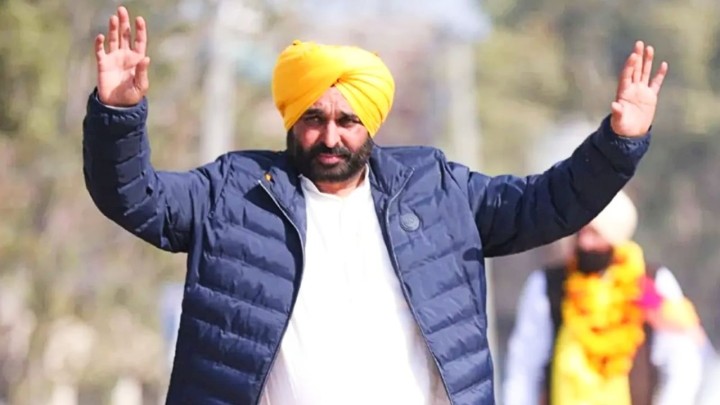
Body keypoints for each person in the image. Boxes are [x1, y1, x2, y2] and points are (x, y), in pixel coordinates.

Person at [83, 6, 667, 405]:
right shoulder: (233, 192)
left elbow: (547, 203)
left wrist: (618, 143)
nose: (330, 136)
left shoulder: (436, 190)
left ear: (372, 122)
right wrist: (118, 115)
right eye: (313, 118)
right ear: (291, 119)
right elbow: (136, 197)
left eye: (347, 120)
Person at [503, 191, 707, 405]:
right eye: (580, 232)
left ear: (615, 236)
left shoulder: (649, 284)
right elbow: (524, 367)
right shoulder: (548, 285)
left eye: (595, 234)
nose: (585, 243)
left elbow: (682, 363)